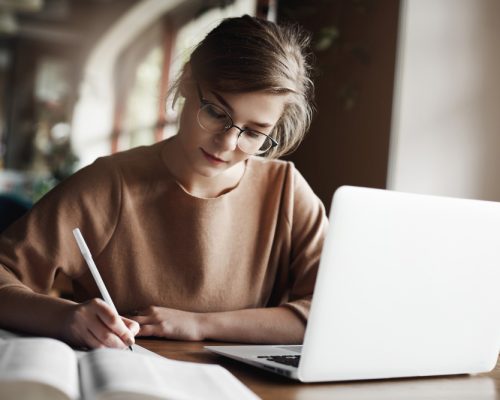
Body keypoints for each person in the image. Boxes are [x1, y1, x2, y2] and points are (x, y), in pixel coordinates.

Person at [0, 15, 328, 349]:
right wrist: (65, 317)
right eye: (216, 112)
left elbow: (329, 312)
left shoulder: (286, 191)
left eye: (255, 133)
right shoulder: (110, 184)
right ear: (187, 81)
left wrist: (198, 325)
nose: (228, 144)